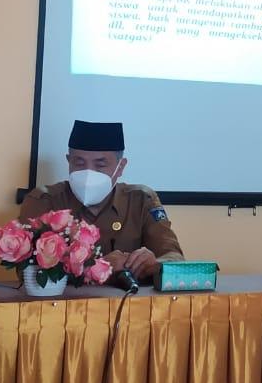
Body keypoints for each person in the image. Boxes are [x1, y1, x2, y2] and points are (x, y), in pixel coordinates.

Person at [20, 120, 183, 282]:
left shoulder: (141, 201)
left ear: (121, 167)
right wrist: (96, 267)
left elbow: (175, 258)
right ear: (69, 161)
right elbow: (26, 272)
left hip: (131, 298)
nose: (88, 172)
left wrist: (155, 264)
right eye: (79, 163)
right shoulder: (44, 201)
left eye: (100, 165)